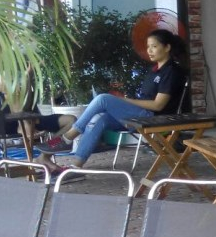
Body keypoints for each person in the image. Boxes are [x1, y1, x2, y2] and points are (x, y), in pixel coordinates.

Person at [42, 28, 188, 168]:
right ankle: (76, 165)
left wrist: (127, 100)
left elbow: (158, 105)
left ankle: (68, 137)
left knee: (103, 99)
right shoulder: (154, 71)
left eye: (154, 46)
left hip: (155, 119)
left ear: (167, 47)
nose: (149, 50)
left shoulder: (171, 72)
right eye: (148, 46)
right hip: (141, 116)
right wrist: (126, 102)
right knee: (100, 119)